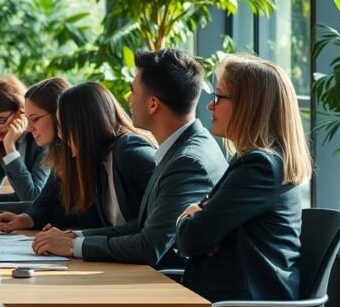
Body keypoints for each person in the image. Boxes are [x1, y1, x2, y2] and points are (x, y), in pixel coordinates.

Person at [33, 48, 228, 271]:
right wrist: (74, 237)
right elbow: (143, 225)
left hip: (178, 289)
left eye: (132, 91)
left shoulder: (187, 161)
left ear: (153, 104)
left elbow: (150, 246)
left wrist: (74, 246)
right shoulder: (181, 149)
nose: (127, 98)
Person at [175, 54, 313, 307]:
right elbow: (201, 234)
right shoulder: (259, 163)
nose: (210, 104)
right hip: (235, 305)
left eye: (220, 96)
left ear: (249, 106)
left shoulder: (259, 167)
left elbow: (192, 237)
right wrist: (199, 224)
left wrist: (191, 219)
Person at [0, 81, 155, 234]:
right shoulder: (97, 159)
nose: (60, 134)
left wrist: (75, 239)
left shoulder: (129, 152)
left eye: (62, 124)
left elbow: (156, 224)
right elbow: (51, 204)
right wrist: (27, 219)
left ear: (83, 124)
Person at [0, 75, 50, 203]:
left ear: (21, 113)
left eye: (0, 120)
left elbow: (32, 198)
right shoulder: (1, 139)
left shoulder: (43, 138)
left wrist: (10, 148)